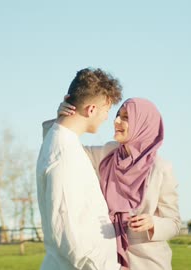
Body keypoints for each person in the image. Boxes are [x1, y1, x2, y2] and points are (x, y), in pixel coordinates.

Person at [43, 97, 181, 270]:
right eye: (117, 115)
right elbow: (67, 150)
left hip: (148, 263)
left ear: (142, 125)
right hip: (107, 258)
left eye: (125, 117)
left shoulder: (161, 169)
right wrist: (61, 122)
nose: (116, 121)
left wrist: (153, 223)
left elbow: (174, 223)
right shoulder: (108, 153)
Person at [36, 68, 123, 270]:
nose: (106, 117)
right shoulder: (64, 155)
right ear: (91, 110)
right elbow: (67, 231)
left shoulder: (64, 142)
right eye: (106, 110)